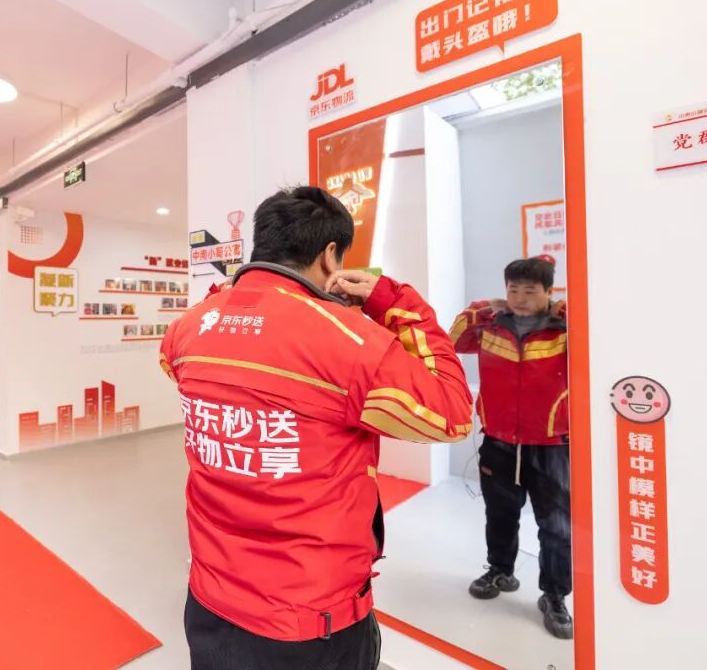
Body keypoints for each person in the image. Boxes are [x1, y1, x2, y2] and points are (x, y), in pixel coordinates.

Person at [160, 186, 474, 670]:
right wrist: (393, 301)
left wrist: (233, 300)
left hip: (208, 599)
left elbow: (174, 364)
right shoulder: (350, 341)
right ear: (330, 255)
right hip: (309, 620)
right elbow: (453, 415)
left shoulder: (191, 326)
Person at [449, 257, 573, 639]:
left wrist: (571, 313)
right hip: (499, 442)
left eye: (530, 291)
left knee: (557, 527)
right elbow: (453, 340)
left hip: (551, 445)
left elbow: (601, 343)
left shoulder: (564, 330)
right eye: (513, 290)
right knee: (500, 515)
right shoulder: (492, 326)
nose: (519, 298)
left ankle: (554, 595)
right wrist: (486, 306)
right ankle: (500, 571)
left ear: (549, 292)